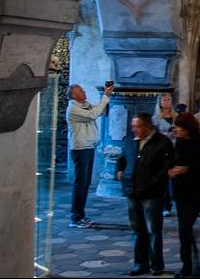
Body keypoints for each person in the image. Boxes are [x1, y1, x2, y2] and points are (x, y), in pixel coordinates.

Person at [116, 112, 174, 276]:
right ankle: (140, 264)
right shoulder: (130, 141)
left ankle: (156, 265)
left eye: (138, 126)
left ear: (148, 126)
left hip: (151, 193)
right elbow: (122, 158)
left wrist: (154, 181)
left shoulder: (162, 143)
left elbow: (167, 165)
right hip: (132, 192)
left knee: (153, 230)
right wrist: (120, 170)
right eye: (133, 126)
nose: (134, 129)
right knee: (137, 229)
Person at [168, 113, 200, 278]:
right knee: (184, 231)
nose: (176, 130)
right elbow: (172, 161)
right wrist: (171, 169)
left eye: (178, 127)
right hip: (180, 193)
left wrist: (187, 169)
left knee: (185, 228)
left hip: (196, 193)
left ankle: (189, 266)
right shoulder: (178, 143)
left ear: (187, 129)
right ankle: (190, 264)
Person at [66, 82, 113, 228]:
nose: (84, 93)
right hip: (80, 148)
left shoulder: (84, 105)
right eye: (81, 91)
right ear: (74, 95)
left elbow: (101, 112)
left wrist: (107, 97)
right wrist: (105, 96)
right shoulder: (73, 109)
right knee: (80, 184)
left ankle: (81, 215)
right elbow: (93, 115)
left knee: (85, 183)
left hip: (89, 147)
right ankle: (76, 217)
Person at [153, 93, 178, 216]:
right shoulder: (156, 118)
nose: (167, 102)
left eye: (169, 100)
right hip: (162, 151)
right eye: (165, 100)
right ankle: (165, 205)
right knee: (164, 179)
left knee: (175, 178)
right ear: (160, 102)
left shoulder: (176, 116)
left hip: (175, 149)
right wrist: (165, 135)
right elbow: (153, 135)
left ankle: (176, 203)